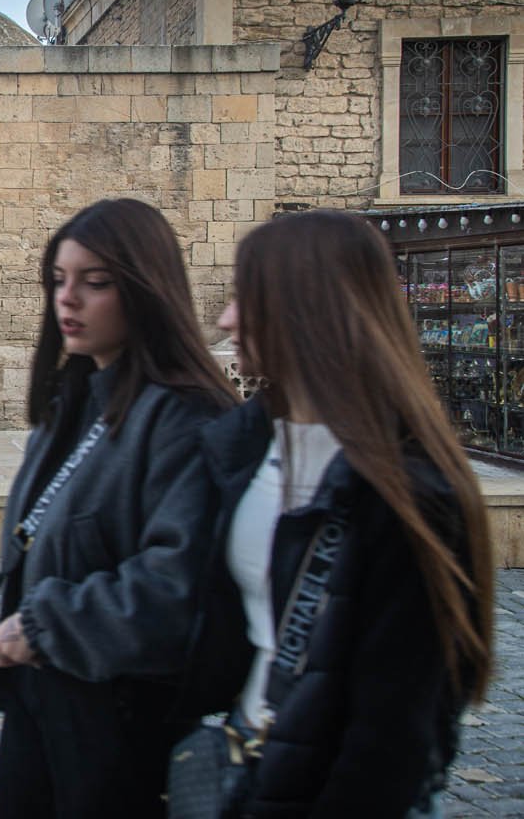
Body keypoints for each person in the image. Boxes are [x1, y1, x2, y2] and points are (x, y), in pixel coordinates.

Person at [178, 210, 494, 817]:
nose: (225, 319)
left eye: (247, 297)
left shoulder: (407, 495)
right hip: (249, 757)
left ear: (306, 308)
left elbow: (394, 733)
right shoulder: (248, 450)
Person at [0, 198, 238, 818]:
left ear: (144, 289)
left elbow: (177, 587)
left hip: (123, 723)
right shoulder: (75, 401)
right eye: (58, 280)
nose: (67, 299)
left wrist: (48, 625)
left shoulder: (186, 418)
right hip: (44, 703)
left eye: (94, 283)